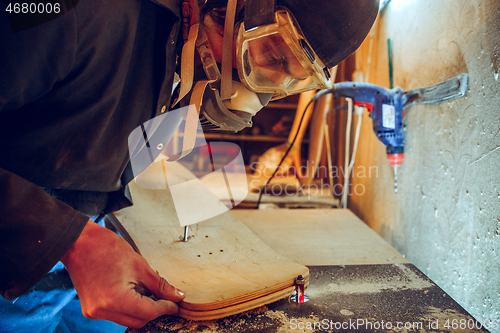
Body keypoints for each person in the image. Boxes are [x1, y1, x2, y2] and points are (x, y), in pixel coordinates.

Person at [0, 0, 379, 331]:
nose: (262, 85)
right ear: (231, 5)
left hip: (85, 240)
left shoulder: (182, 41)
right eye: (275, 55)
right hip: (18, 250)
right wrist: (74, 243)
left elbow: (109, 120)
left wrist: (186, 161)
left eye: (289, 79)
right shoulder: (71, 12)